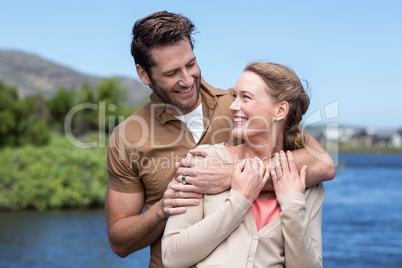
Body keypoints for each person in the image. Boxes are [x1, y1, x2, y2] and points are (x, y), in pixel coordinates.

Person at [105, 11, 335, 268]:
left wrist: (229, 176)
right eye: (171, 73)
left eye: (190, 64)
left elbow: (322, 164)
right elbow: (119, 241)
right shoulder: (128, 138)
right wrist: (162, 209)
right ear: (144, 75)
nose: (186, 79)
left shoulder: (239, 109)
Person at [162, 62, 326, 268]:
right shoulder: (204, 161)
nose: (233, 106)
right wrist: (240, 200)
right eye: (234, 96)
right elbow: (172, 257)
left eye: (245, 97)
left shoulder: (305, 181)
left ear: (280, 110)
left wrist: (292, 203)